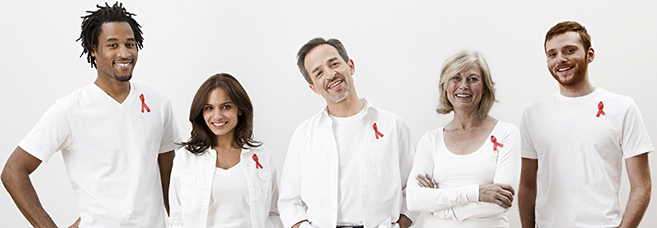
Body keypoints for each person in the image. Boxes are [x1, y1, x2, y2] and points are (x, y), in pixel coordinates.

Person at [0, 2, 182, 227]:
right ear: (94, 50)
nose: (124, 53)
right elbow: (13, 171)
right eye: (112, 45)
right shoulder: (70, 109)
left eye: (130, 44)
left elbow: (170, 183)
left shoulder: (159, 104)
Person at [518, 21, 653, 228]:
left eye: (569, 50)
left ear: (590, 54)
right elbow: (527, 186)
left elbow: (641, 186)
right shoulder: (532, 114)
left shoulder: (623, 108)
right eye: (552, 54)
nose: (560, 59)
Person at [278, 37, 416, 228]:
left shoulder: (393, 126)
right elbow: (289, 202)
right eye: (318, 73)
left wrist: (399, 225)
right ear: (313, 88)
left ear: (350, 66)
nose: (330, 74)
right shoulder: (304, 136)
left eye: (333, 64)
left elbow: (413, 189)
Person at [406, 50, 520, 227]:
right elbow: (414, 200)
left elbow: (501, 203)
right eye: (456, 78)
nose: (464, 86)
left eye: (473, 79)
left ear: (484, 87)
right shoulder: (430, 140)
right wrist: (476, 192)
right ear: (445, 85)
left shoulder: (506, 133)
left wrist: (438, 208)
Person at [169, 73, 283, 228]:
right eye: (209, 108)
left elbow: (274, 214)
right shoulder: (185, 158)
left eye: (226, 106)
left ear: (240, 109)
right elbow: (177, 219)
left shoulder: (262, 156)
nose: (217, 116)